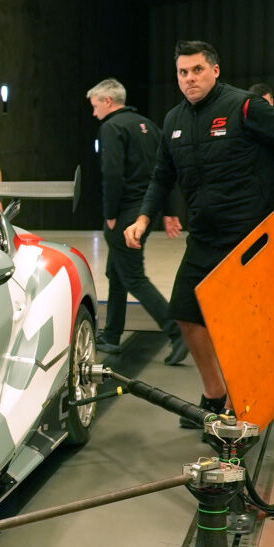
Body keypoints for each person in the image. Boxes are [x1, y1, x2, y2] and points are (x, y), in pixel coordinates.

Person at [131, 41, 274, 425]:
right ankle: (215, 392)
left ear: (215, 70)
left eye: (197, 70)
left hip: (250, 237)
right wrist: (145, 218)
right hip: (206, 236)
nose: (189, 78)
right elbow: (163, 176)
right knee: (186, 313)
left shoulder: (245, 106)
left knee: (240, 329)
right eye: (182, 72)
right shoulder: (174, 120)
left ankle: (238, 410)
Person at [87, 78, 185, 364]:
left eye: (95, 107)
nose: (94, 113)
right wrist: (168, 211)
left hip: (127, 212)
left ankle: (177, 332)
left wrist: (110, 214)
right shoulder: (148, 126)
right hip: (147, 208)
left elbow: (113, 174)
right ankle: (112, 336)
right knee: (116, 273)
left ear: (108, 101)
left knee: (132, 276)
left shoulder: (111, 127)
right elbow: (164, 172)